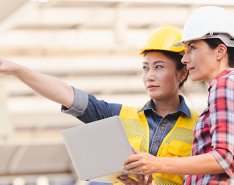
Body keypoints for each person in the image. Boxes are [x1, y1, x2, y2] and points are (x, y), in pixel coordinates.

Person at [0, 25, 198, 185]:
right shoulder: (118, 116)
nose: (150, 76)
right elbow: (66, 94)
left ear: (182, 73)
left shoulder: (200, 125)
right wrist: (18, 70)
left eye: (159, 67)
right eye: (145, 68)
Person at [123, 6, 234, 185]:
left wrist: (156, 164)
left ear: (220, 51)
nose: (184, 59)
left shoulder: (224, 84)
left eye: (192, 48)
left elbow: (224, 157)